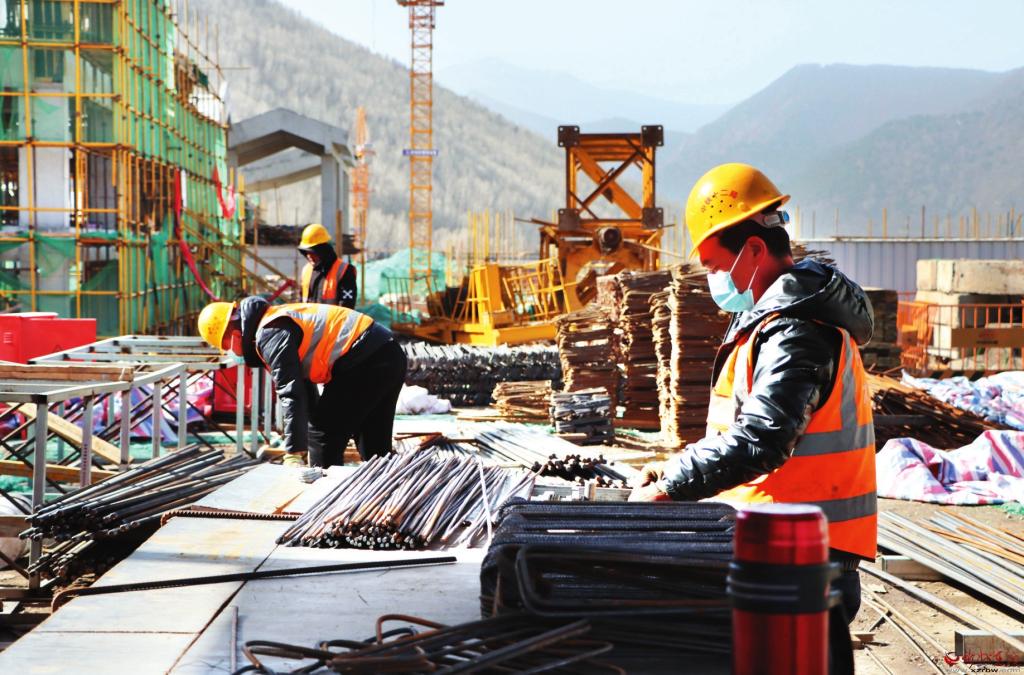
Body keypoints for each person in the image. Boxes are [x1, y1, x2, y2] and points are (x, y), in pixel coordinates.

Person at [630, 163, 876, 622]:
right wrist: (674, 466)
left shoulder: (797, 330)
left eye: (715, 266)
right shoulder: (773, 322)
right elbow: (744, 427)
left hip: (802, 563)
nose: (714, 279)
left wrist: (670, 487)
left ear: (755, 250)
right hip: (784, 549)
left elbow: (763, 438)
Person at [197, 296, 406, 469]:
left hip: (365, 361)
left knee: (323, 438)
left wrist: (293, 451)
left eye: (226, 347)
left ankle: (322, 499)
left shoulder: (269, 333)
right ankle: (388, 496)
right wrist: (306, 431)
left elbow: (291, 392)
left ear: (234, 336)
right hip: (388, 353)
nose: (230, 352)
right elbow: (305, 392)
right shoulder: (275, 321)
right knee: (375, 446)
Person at [298, 223, 357, 309]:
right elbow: (301, 302)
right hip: (308, 318)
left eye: (312, 252)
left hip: (333, 318)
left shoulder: (344, 270)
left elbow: (347, 307)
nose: (309, 256)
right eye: (306, 252)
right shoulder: (306, 270)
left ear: (322, 251)